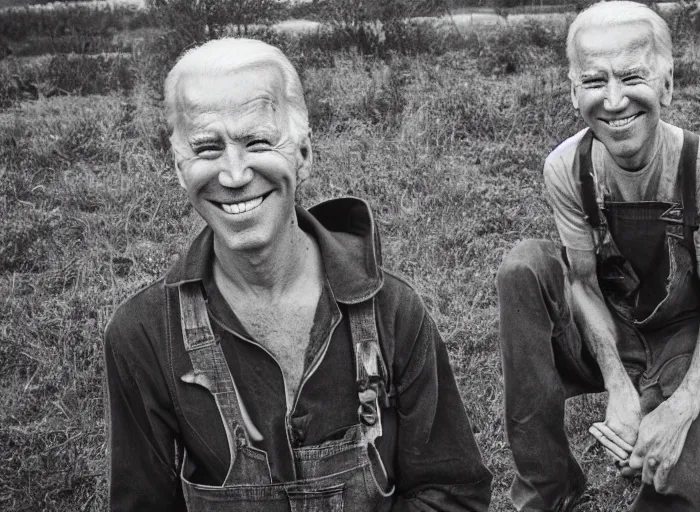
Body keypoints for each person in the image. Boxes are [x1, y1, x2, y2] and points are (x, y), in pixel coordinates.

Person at [103, 38, 492, 511]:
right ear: (180, 168)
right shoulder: (144, 333)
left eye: (258, 142)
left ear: (303, 155)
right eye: (207, 148)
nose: (232, 174)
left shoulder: (393, 311)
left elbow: (453, 494)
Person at [496, 2, 700, 511]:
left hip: (678, 336)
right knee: (524, 267)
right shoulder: (566, 167)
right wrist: (618, 385)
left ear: (667, 84)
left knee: (693, 492)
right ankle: (549, 486)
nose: (613, 99)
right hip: (604, 318)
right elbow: (582, 284)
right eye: (593, 80)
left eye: (631, 76)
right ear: (572, 90)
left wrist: (679, 407)